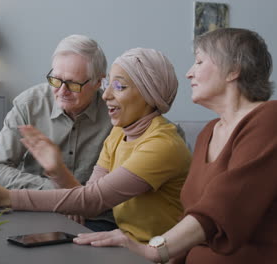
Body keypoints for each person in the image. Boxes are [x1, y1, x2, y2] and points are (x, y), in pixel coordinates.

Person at [73, 28, 277, 263]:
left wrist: (152, 250)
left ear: (234, 70)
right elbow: (191, 218)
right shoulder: (208, 132)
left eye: (199, 62)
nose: (189, 73)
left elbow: (221, 206)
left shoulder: (269, 120)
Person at [0, 47, 192, 243]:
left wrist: (8, 197)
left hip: (147, 251)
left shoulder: (162, 144)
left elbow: (92, 201)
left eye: (119, 87)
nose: (106, 95)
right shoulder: (119, 132)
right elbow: (86, 197)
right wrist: (57, 171)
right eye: (108, 84)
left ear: (148, 95)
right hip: (118, 241)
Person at [0, 34, 112, 190]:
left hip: (94, 211)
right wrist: (58, 190)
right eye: (56, 79)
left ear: (98, 82)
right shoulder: (28, 105)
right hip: (35, 207)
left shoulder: (114, 113)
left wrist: (79, 198)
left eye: (72, 84)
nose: (62, 91)